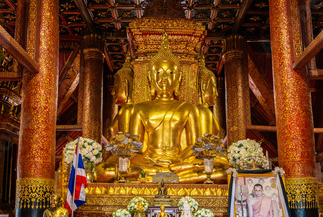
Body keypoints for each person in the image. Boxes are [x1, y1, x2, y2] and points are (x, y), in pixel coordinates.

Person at [95, 32, 227, 183]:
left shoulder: (188, 108)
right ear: (151, 77)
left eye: (170, 73)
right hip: (149, 163)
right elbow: (137, 148)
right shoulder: (139, 109)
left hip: (179, 162)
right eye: (159, 72)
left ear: (178, 78)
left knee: (223, 170)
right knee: (103, 172)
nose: (164, 78)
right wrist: (149, 162)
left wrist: (177, 161)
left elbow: (194, 146)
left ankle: (169, 176)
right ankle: (180, 178)